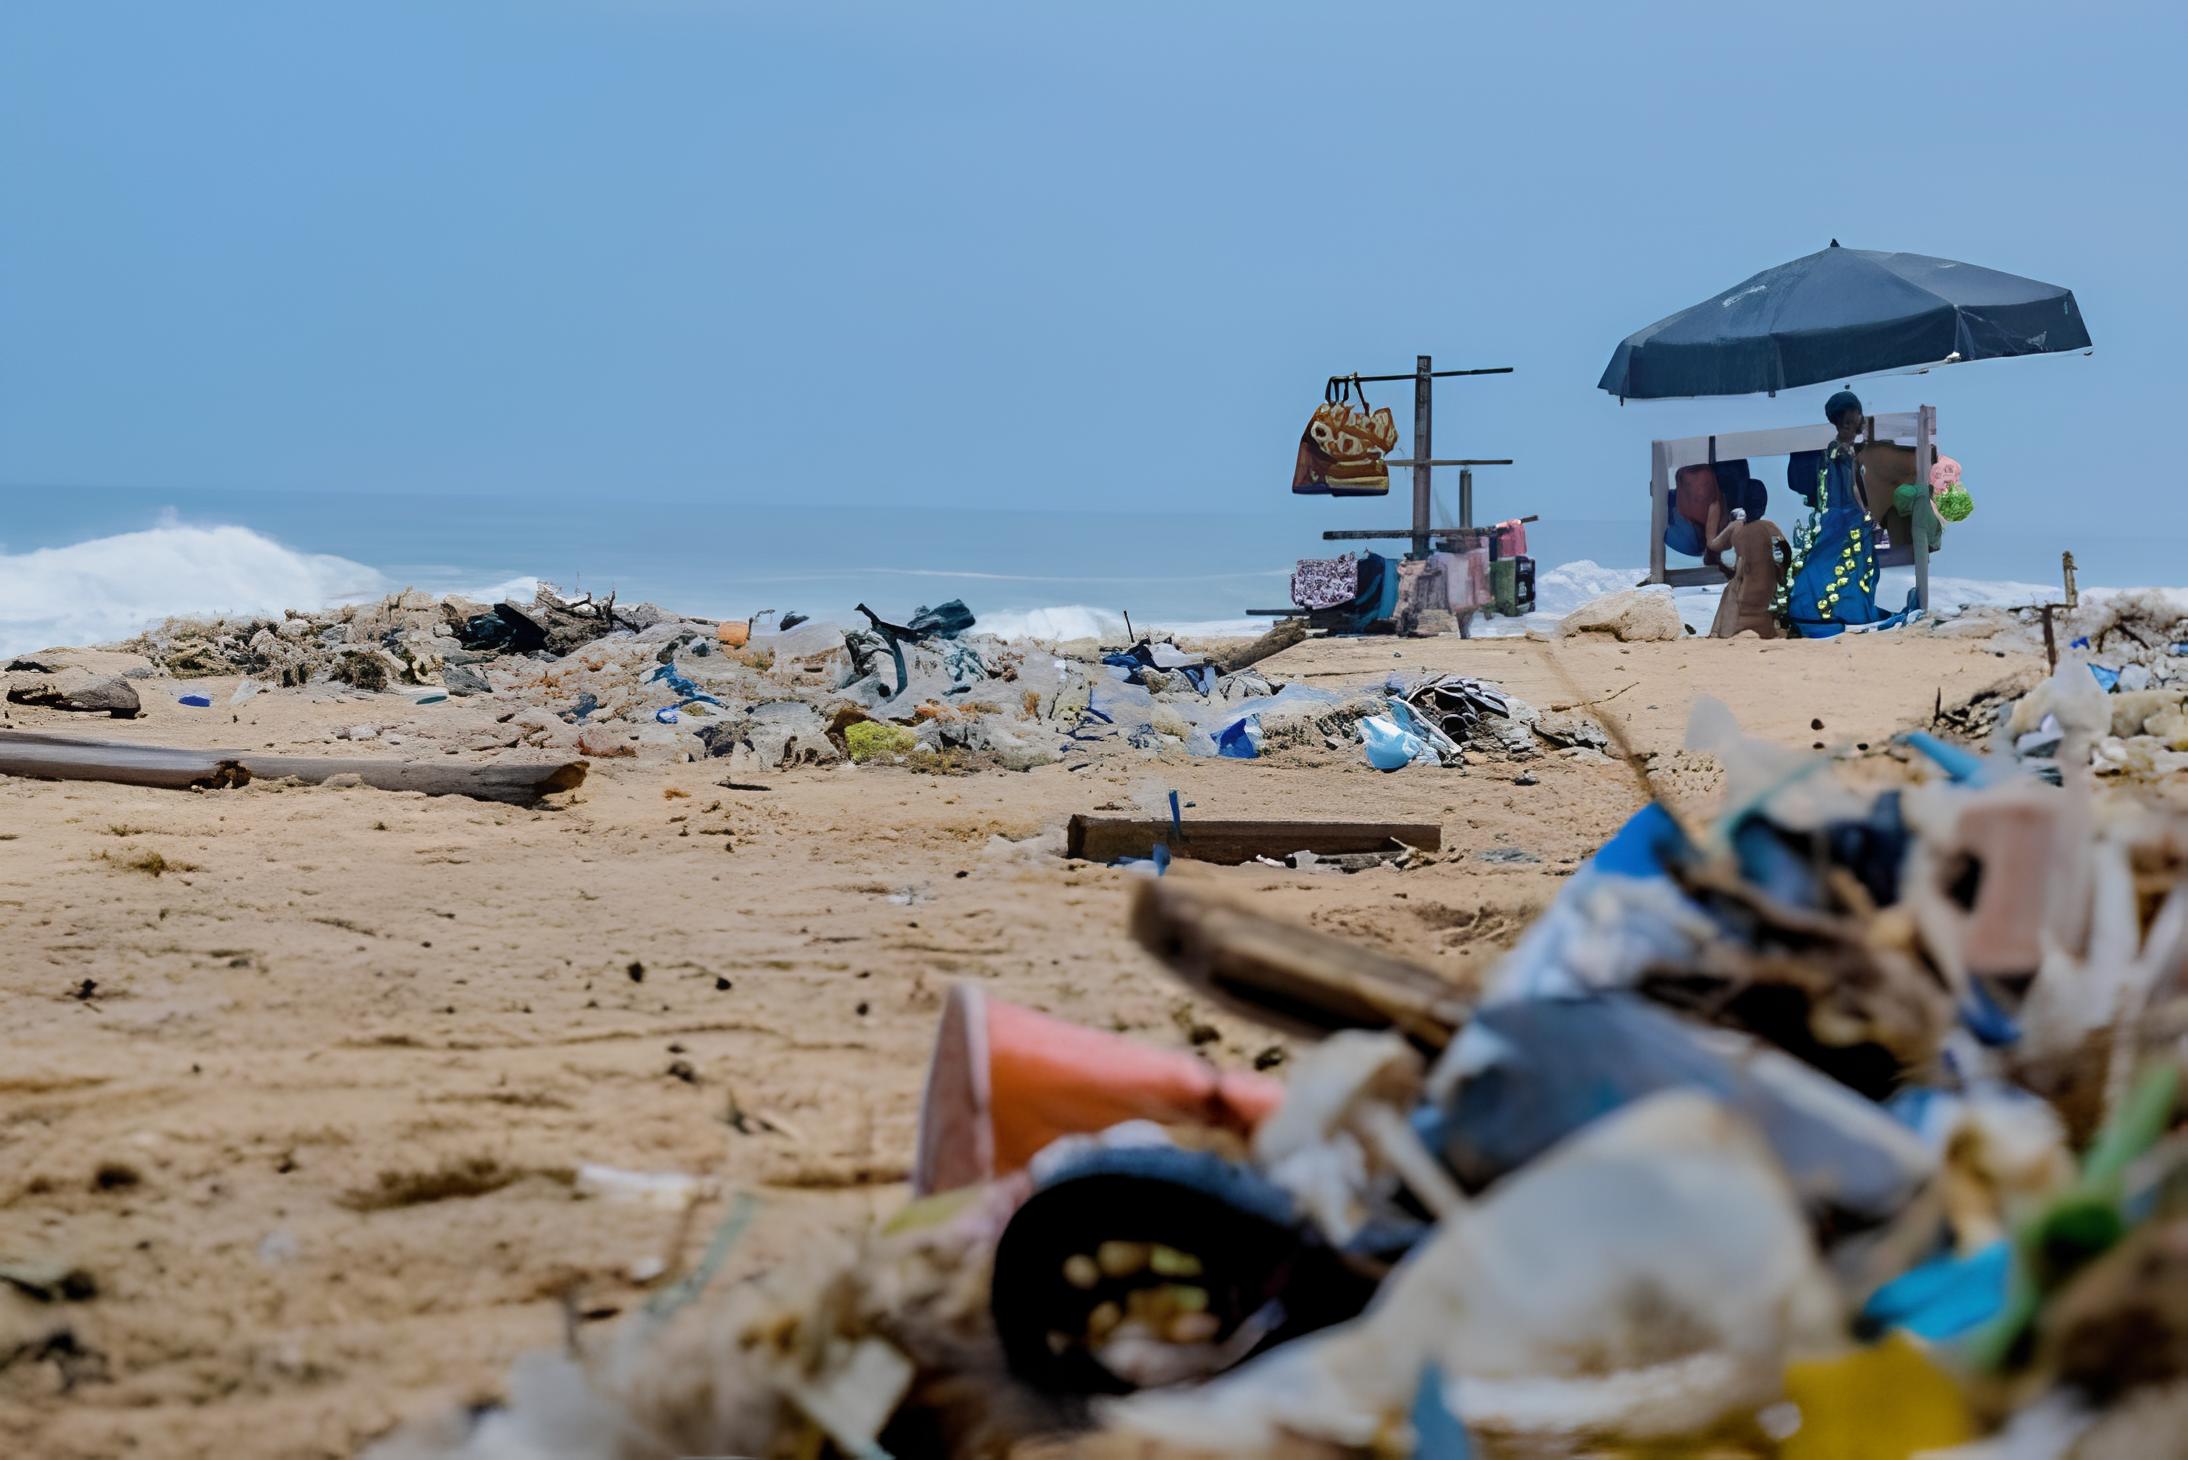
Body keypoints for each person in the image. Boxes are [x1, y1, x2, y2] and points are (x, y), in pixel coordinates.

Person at [1772, 389, 1914, 637]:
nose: (1850, 426)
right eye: (1846, 422)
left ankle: (1836, 610)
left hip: (1835, 515)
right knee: (1848, 563)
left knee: (1839, 562)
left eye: (1852, 421)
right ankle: (1845, 613)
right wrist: (1866, 512)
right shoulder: (1843, 452)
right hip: (1846, 516)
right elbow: (1854, 487)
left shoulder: (1835, 451)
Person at [1708, 506, 1789, 638]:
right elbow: (1785, 548)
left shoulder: (1735, 525)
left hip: (1745, 574)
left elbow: (1714, 545)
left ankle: (1722, 632)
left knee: (1732, 595)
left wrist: (1712, 517)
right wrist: (1782, 571)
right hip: (1767, 575)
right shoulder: (1769, 525)